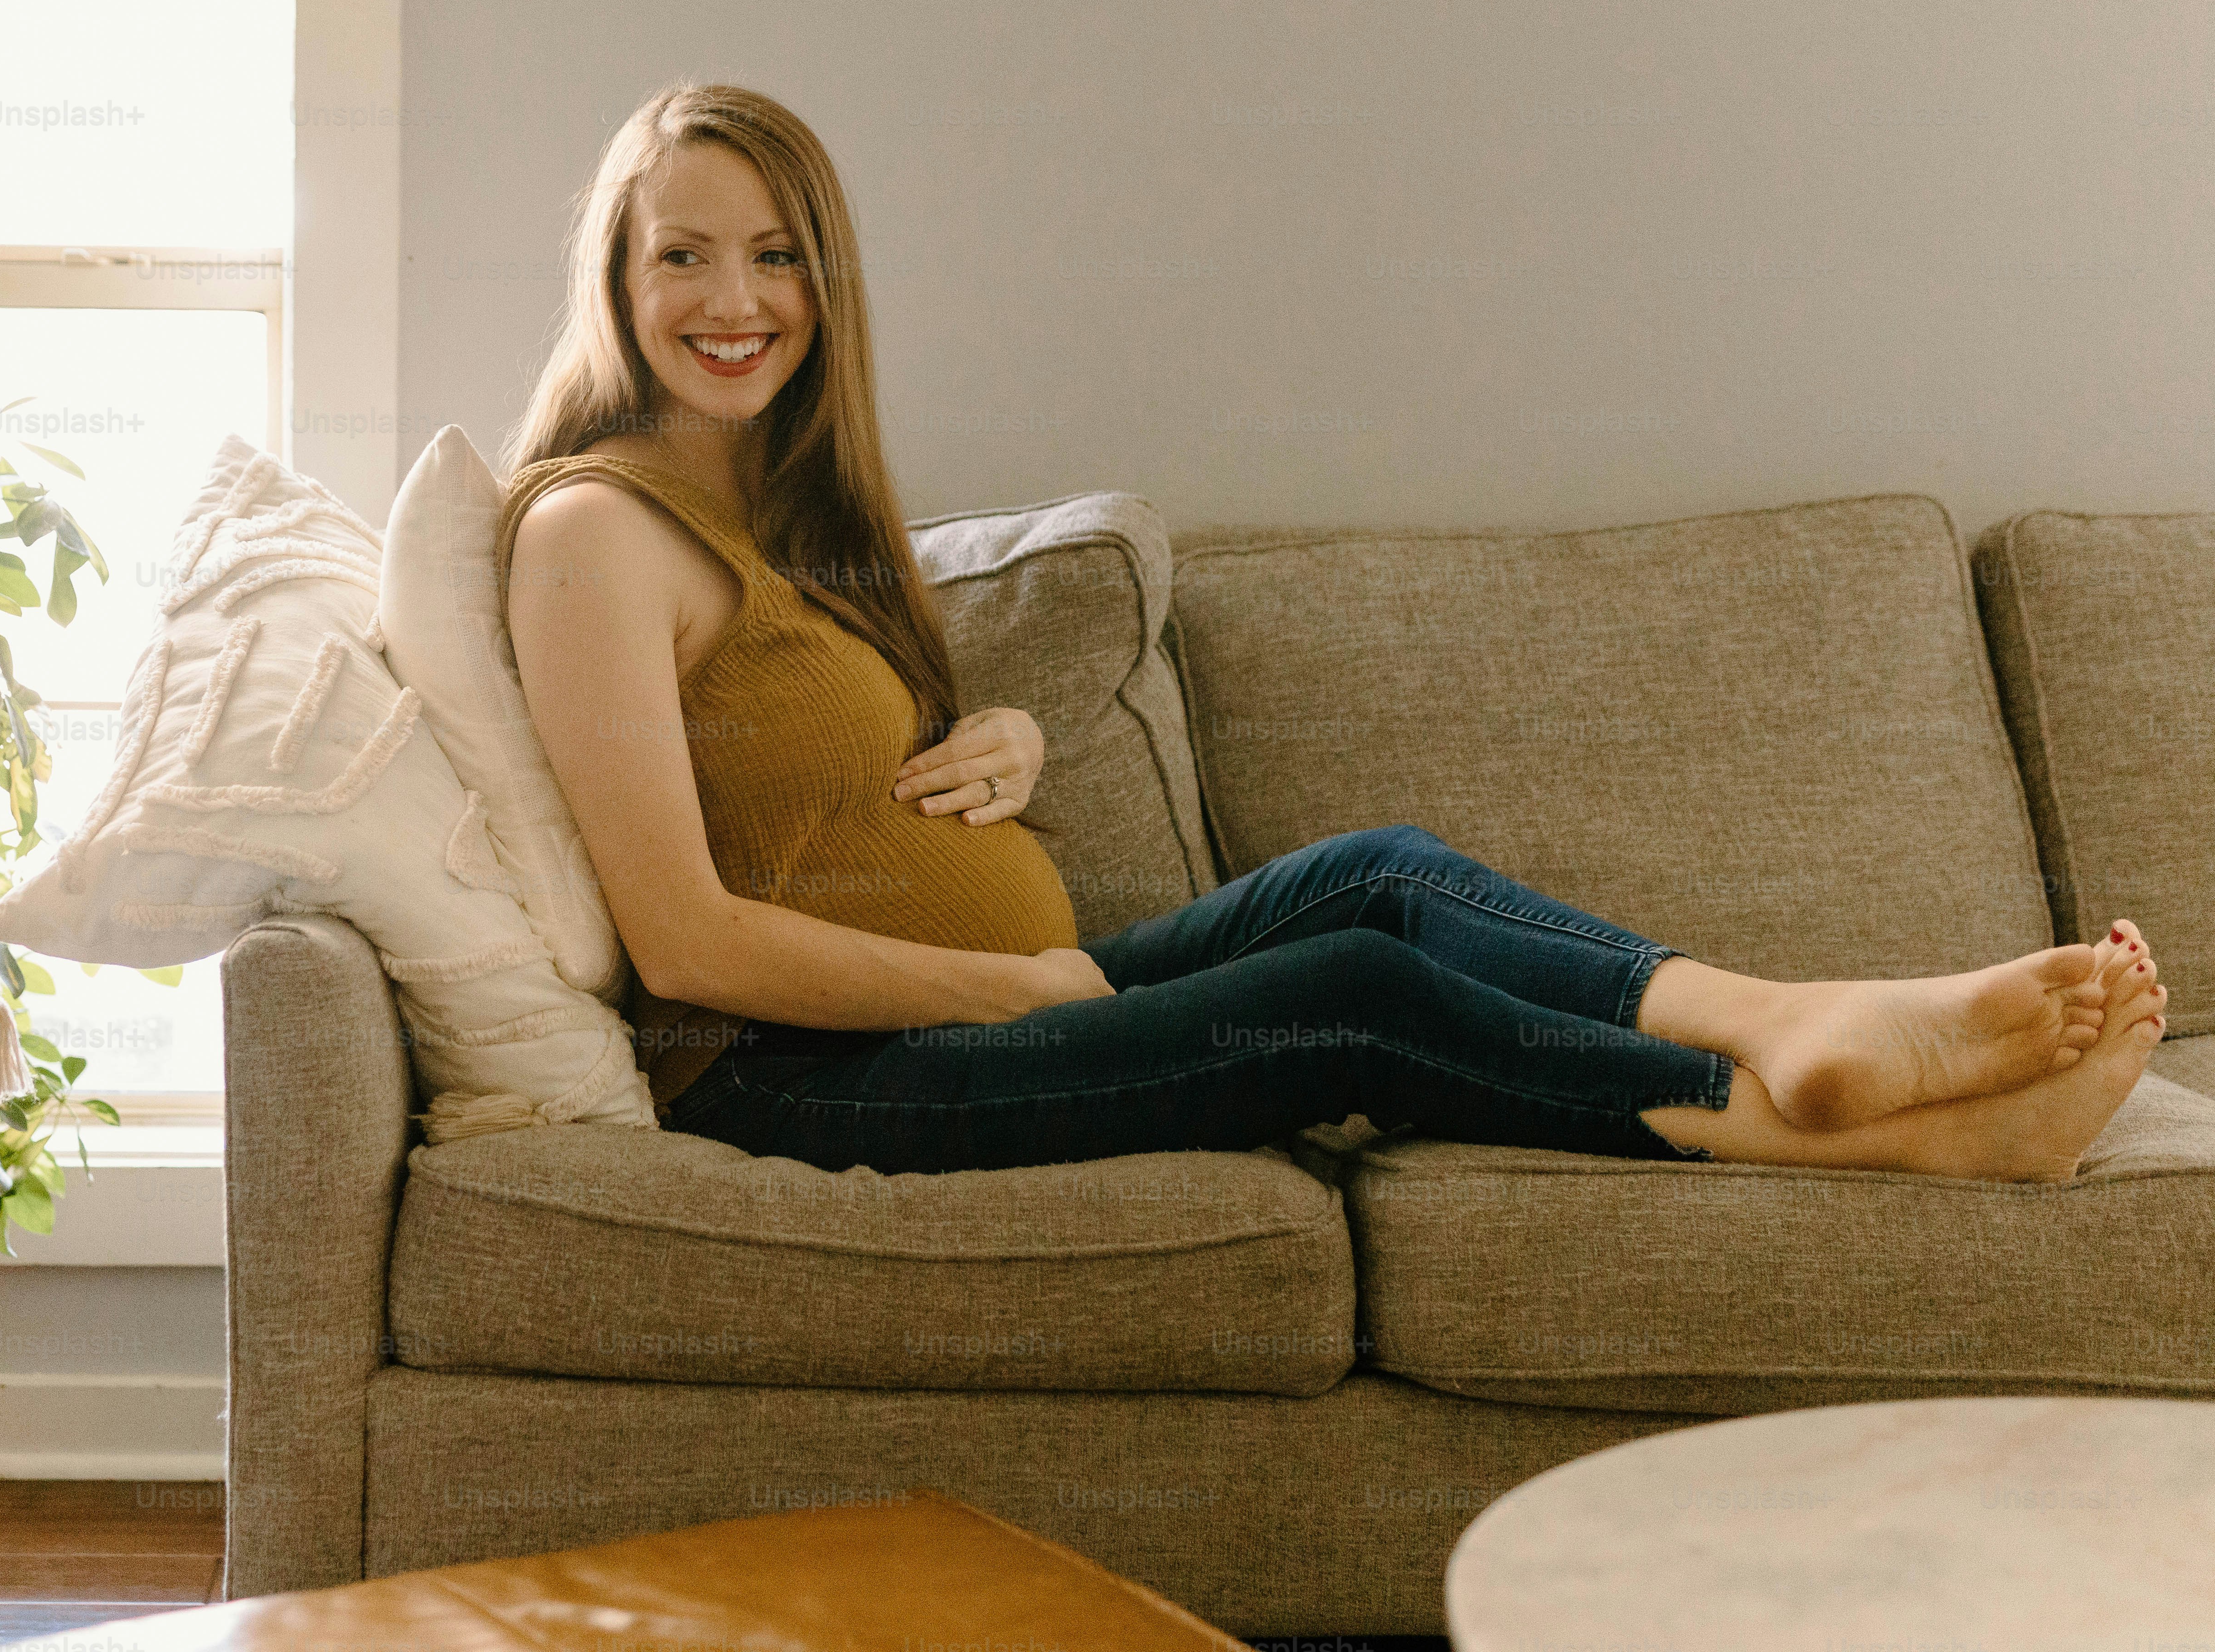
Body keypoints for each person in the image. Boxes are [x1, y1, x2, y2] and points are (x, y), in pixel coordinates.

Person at [495, 81, 2165, 1182]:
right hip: (800, 1084)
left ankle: (1787, 1018)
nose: (737, 300)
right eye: (686, 257)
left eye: (777, 256)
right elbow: (689, 944)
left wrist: (1010, 735)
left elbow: (805, 778)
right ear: (617, 280)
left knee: (1374, 870)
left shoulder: (775, 515)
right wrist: (1010, 990)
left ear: (827, 282)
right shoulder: (590, 535)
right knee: (1356, 991)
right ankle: (1872, 1138)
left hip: (945, 1006)